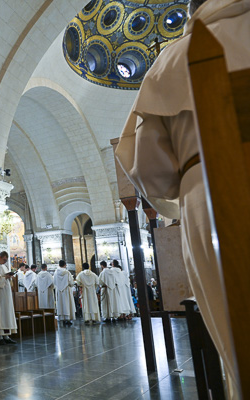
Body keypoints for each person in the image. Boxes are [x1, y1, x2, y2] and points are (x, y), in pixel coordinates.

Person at [115, 0, 249, 393]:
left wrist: (176, 198)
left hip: (206, 195)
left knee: (237, 336)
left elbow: (151, 170)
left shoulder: (170, 61)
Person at [0, 251, 18, 344]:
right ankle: (0, 336)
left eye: (6, 260)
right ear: (0, 257)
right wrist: (4, 278)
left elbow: (6, 279)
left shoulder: (4, 267)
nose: (5, 261)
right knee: (0, 314)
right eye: (4, 259)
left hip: (7, 294)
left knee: (7, 314)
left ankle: (7, 336)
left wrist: (9, 276)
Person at [54, 260, 76, 326]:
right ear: (65, 265)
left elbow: (54, 281)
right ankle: (67, 318)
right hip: (66, 290)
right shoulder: (67, 272)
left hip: (59, 291)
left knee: (60, 304)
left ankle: (62, 318)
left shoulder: (56, 272)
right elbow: (71, 283)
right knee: (67, 303)